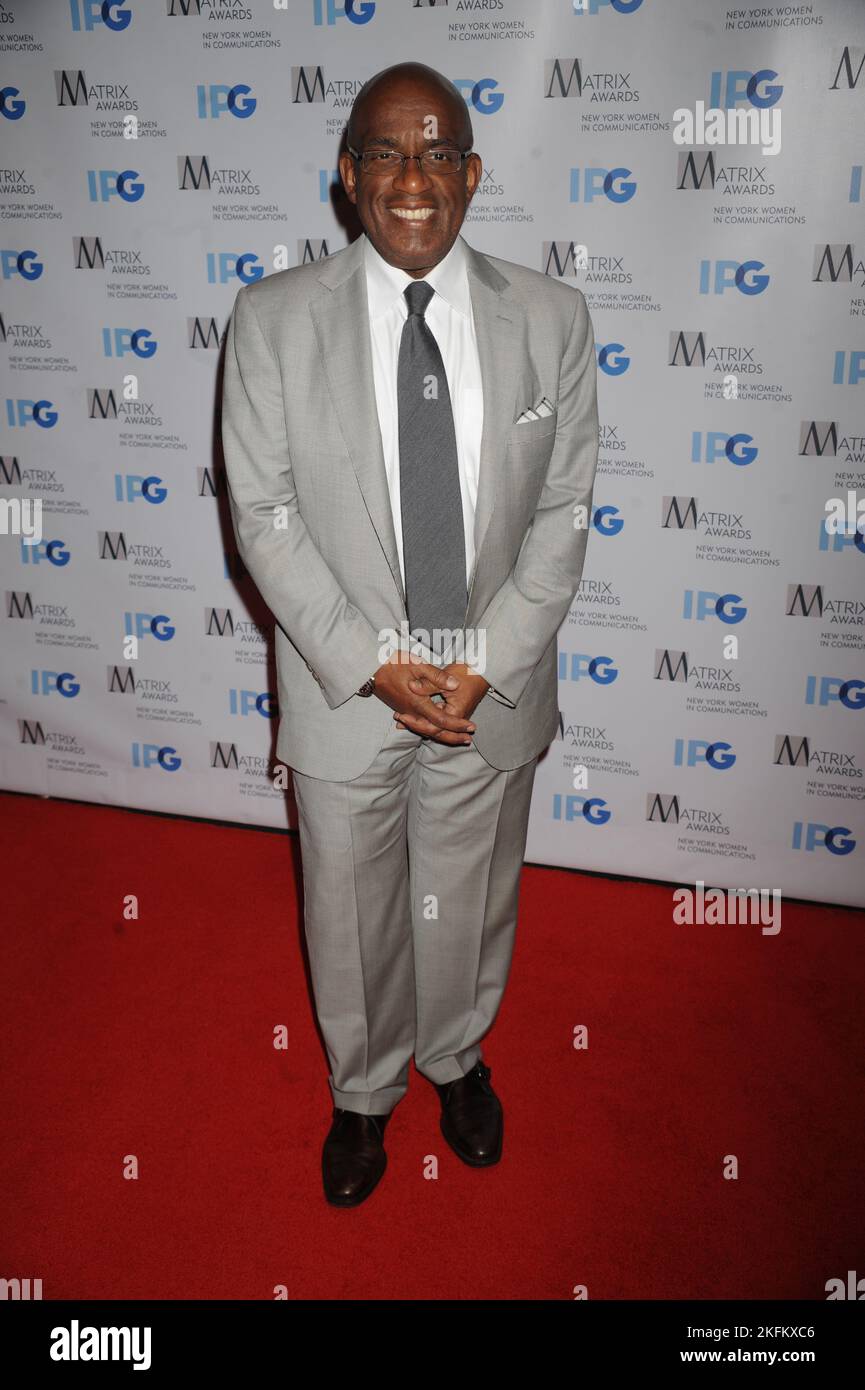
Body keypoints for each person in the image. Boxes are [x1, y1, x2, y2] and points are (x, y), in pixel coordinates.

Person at [221, 61, 599, 1206]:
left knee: (470, 887)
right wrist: (379, 664)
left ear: (474, 174)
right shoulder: (271, 320)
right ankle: (364, 1089)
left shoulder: (553, 317)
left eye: (438, 151)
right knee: (347, 899)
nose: (413, 176)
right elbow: (265, 517)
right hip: (346, 685)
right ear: (347, 177)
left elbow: (561, 513)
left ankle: (454, 1056)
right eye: (385, 151)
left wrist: (480, 665)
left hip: (491, 685)